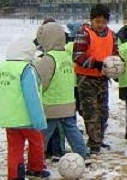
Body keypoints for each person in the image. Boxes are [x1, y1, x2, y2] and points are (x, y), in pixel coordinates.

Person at [0, 37, 48, 180]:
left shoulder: (0, 68)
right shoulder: (26, 69)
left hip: (8, 117)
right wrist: (39, 120)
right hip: (26, 118)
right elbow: (32, 96)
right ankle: (36, 169)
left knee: (14, 147)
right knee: (36, 142)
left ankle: (15, 177)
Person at [34, 23, 91, 166]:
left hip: (51, 104)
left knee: (44, 134)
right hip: (68, 101)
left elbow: (41, 80)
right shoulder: (67, 56)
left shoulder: (48, 59)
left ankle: (36, 159)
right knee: (72, 130)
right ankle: (83, 153)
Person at [73, 4, 117, 154]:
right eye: (97, 21)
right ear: (91, 20)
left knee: (103, 112)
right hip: (86, 78)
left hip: (103, 78)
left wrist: (117, 66)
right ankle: (94, 143)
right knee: (91, 112)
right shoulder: (83, 33)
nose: (101, 25)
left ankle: (99, 138)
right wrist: (95, 63)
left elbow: (115, 54)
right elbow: (77, 55)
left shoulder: (112, 35)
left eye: (104, 22)